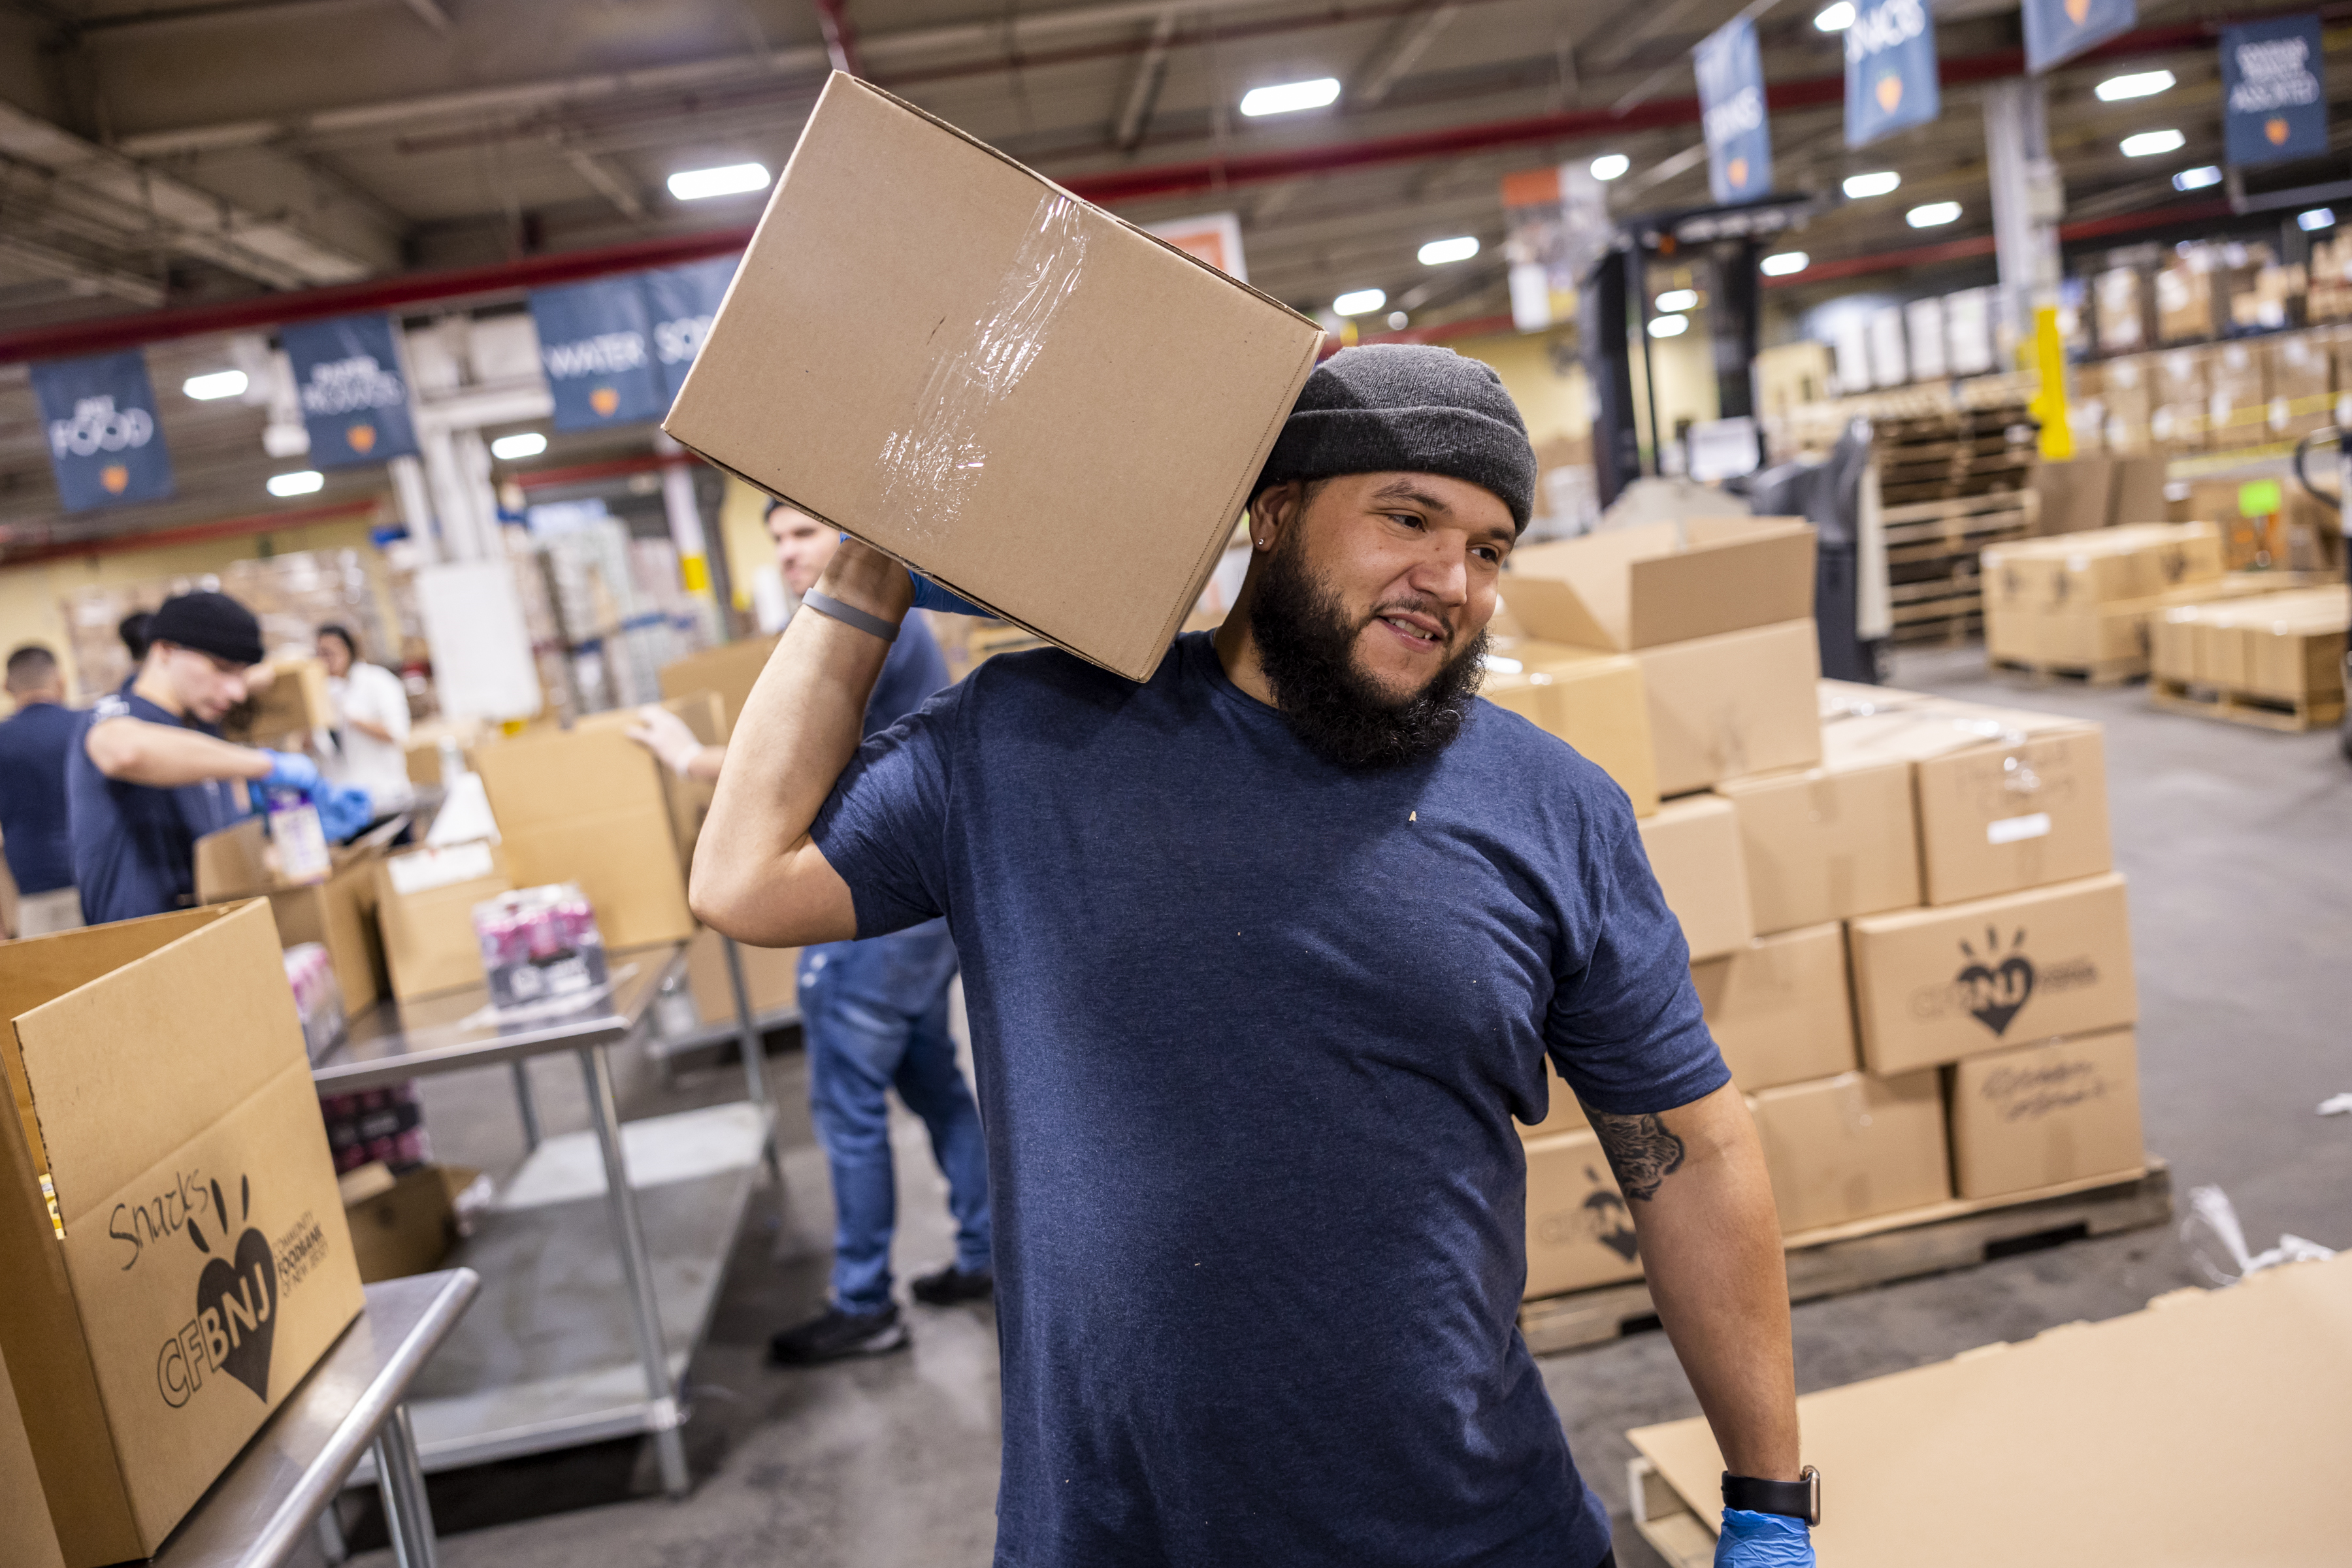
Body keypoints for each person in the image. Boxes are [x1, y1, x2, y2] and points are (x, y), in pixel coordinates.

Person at [690, 346, 1816, 1568]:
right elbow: (744, 879)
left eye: (1490, 548)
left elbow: (1688, 1151)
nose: (1451, 580)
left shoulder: (1552, 807)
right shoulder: (1032, 741)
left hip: (1475, 1531)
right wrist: (868, 567)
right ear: (1273, 515)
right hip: (1121, 1538)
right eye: (1407, 518)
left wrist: (1766, 1502)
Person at [628, 500, 992, 1364]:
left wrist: (687, 759)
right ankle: (985, 1254)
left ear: (843, 534)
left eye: (804, 533)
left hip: (870, 915)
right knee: (931, 1080)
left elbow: (802, 772)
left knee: (847, 1105)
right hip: (919, 907)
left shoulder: (868, 622)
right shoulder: (871, 621)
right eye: (780, 538)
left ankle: (866, 1302)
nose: (790, 552)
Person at [69, 591, 370, 926]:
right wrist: (265, 765)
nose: (236, 692)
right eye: (223, 669)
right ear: (165, 649)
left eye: (241, 675)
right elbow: (124, 752)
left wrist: (293, 840)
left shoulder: (203, 727)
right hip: (141, 949)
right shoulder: (116, 714)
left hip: (209, 936)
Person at [0, 646, 86, 935]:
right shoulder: (89, 726)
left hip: (34, 888)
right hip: (96, 880)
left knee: (49, 978)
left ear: (6, 687)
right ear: (61, 680)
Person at [316, 623, 416, 815]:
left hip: (385, 796)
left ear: (348, 650)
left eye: (330, 653)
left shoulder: (377, 681)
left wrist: (351, 717)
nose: (325, 661)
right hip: (345, 803)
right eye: (320, 654)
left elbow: (397, 732)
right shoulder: (321, 692)